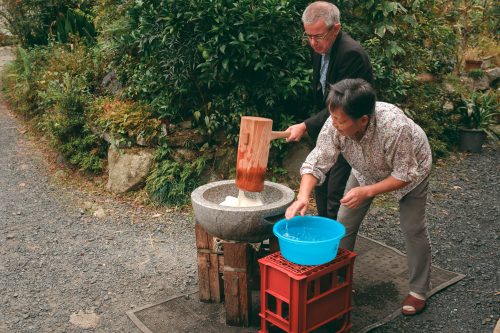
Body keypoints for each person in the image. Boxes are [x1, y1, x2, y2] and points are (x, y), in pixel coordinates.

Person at [285, 79, 433, 316]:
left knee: (412, 227)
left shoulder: (394, 127)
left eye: (340, 121)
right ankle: (337, 279)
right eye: (332, 117)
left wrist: (368, 191)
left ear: (363, 120)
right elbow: (317, 161)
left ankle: (418, 290)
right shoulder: (335, 123)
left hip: (410, 170)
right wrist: (302, 196)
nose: (334, 124)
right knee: (344, 223)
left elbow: (405, 174)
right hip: (365, 169)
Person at [286, 1, 373, 221]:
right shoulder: (320, 47)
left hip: (350, 128)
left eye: (318, 36)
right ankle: (326, 229)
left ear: (336, 28)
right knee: (321, 184)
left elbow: (341, 105)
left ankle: (338, 243)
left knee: (337, 189)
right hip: (329, 124)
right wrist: (312, 125)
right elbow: (322, 94)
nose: (313, 43)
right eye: (309, 36)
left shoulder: (351, 54)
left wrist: (306, 125)